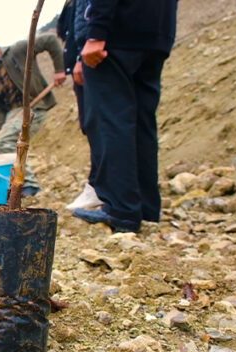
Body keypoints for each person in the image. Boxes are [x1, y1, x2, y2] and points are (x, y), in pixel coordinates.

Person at [72, 0, 178, 233]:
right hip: (156, 31)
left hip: (116, 33)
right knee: (143, 122)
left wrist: (96, 32)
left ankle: (121, 210)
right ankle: (147, 209)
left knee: (111, 121)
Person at [0, 34, 66, 197]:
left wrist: (59, 70)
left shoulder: (18, 51)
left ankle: (28, 184)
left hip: (33, 106)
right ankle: (3, 185)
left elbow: (50, 41)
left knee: (3, 141)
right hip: (10, 114)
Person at [58, 0, 103, 211]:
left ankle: (100, 187)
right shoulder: (70, 4)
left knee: (99, 125)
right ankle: (106, 186)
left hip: (92, 59)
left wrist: (78, 58)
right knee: (92, 124)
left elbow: (86, 25)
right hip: (86, 60)